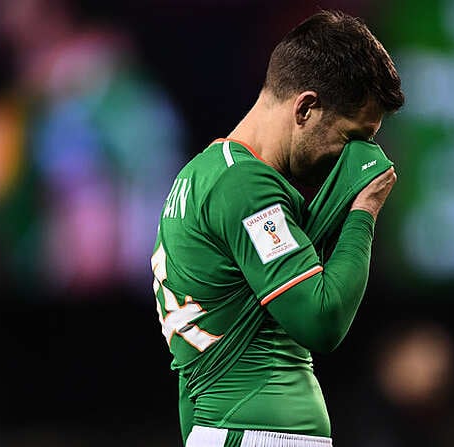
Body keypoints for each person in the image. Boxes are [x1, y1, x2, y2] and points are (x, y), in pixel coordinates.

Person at [150, 10, 404, 447]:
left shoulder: (202, 174)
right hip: (257, 434)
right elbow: (321, 320)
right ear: (305, 107)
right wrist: (364, 210)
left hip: (229, 429)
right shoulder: (246, 186)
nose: (350, 160)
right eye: (350, 140)